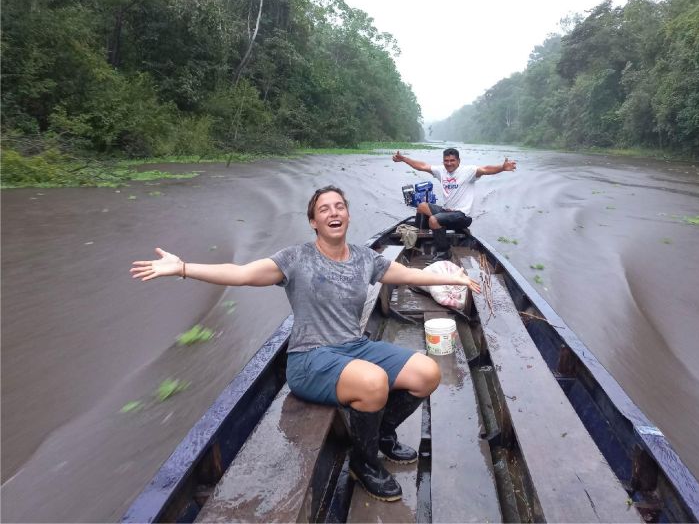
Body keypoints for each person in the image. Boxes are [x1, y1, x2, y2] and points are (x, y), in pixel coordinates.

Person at [130, 185, 480, 503]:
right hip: (310, 358)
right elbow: (241, 274)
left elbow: (409, 274)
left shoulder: (364, 258)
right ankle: (364, 461)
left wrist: (452, 275)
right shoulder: (295, 259)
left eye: (339, 206)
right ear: (313, 221)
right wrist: (183, 268)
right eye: (324, 209)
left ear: (348, 215)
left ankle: (383, 433)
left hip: (354, 347)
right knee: (373, 382)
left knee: (427, 372)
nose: (333, 212)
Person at [392, 147, 517, 260]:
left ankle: (443, 252)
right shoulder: (441, 171)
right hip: (447, 211)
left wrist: (502, 167)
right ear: (443, 161)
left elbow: (485, 169)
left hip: (462, 216)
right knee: (422, 206)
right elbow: (422, 166)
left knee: (434, 220)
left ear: (458, 161)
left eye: (452, 160)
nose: (449, 163)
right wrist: (403, 159)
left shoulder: (468, 171)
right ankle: (419, 240)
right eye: (446, 160)